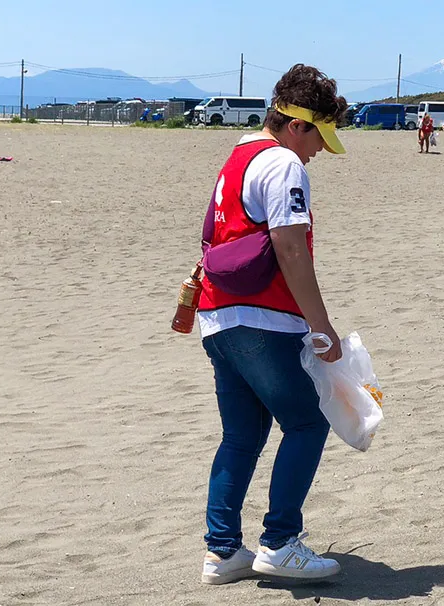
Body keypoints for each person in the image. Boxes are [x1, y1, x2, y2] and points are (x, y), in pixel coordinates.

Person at [195, 63, 348, 586]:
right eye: (319, 137)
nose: (319, 151)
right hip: (263, 319)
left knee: (241, 436)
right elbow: (288, 247)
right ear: (297, 124)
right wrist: (321, 326)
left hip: (218, 317)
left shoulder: (237, 157)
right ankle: (280, 542)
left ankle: (222, 552)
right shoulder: (283, 163)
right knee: (308, 422)